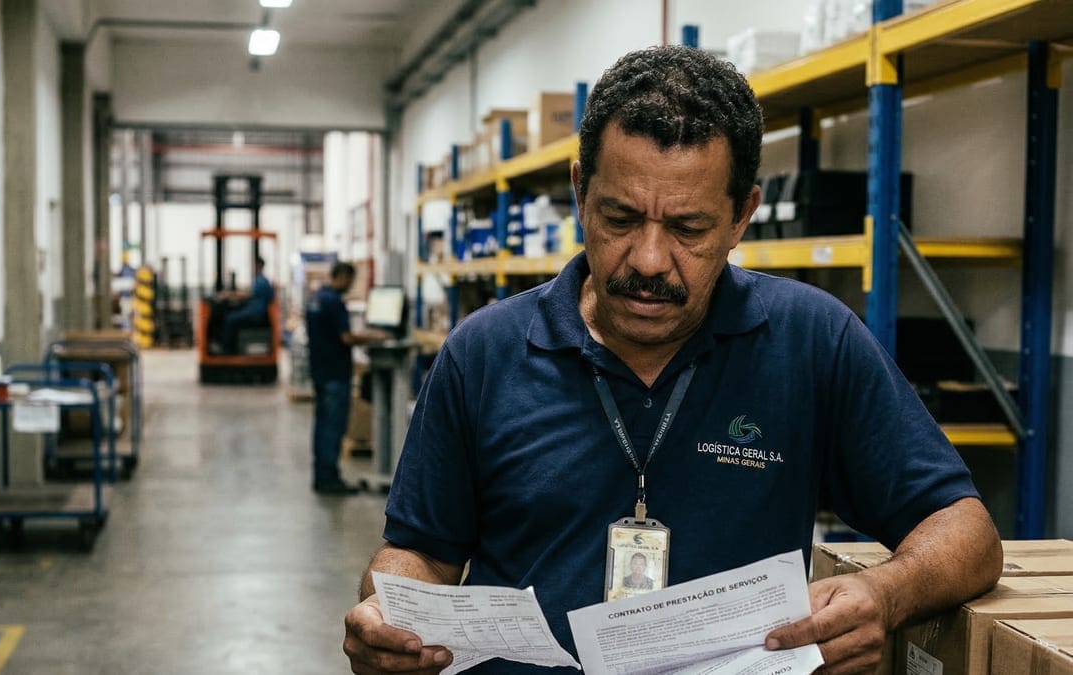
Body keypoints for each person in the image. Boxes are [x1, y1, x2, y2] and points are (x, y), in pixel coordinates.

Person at [343, 46, 1002, 674]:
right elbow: (420, 552)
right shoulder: (484, 353)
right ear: (580, 192)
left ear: (742, 214)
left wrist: (884, 595)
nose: (650, 260)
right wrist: (388, 611)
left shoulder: (811, 340)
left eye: (688, 228)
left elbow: (966, 532)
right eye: (620, 217)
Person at [306, 262, 389, 495]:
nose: (351, 286)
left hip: (320, 372)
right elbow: (346, 338)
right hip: (335, 374)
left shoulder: (316, 298)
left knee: (322, 425)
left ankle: (321, 474)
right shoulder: (334, 301)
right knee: (333, 426)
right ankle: (329, 479)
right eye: (351, 281)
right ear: (342, 277)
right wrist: (375, 336)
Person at [219, 256, 275, 354]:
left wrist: (228, 295)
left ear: (258, 265)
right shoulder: (259, 280)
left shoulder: (262, 281)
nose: (251, 268)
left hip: (256, 313)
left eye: (253, 265)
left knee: (230, 319)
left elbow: (248, 294)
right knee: (232, 316)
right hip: (254, 311)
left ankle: (228, 350)